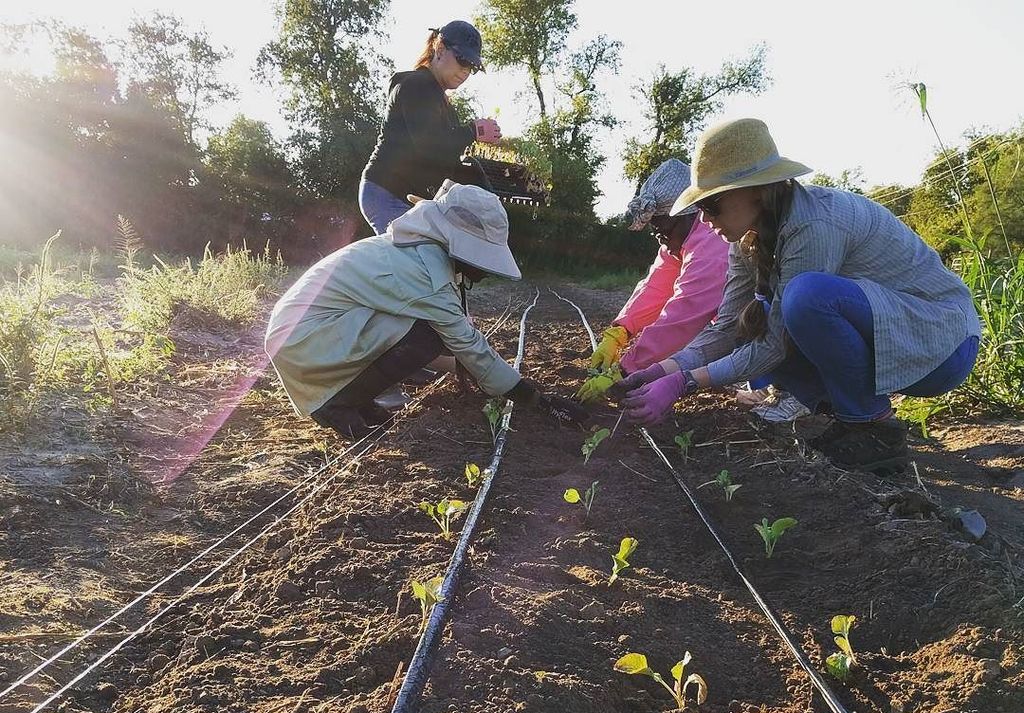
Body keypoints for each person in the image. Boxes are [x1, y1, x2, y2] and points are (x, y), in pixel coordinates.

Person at [611, 118, 981, 474]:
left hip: (941, 342)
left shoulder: (813, 225)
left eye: (711, 205)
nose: (704, 220)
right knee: (751, 319)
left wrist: (684, 383)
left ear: (754, 190)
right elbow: (725, 331)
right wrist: (660, 371)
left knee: (804, 299)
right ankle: (850, 418)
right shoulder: (744, 240)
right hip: (891, 338)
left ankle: (874, 428)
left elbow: (777, 343)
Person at [265, 182, 587, 440]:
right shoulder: (425, 272)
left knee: (424, 334)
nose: (485, 271)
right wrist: (534, 398)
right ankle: (336, 404)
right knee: (425, 338)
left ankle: (354, 397)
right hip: (305, 339)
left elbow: (458, 344)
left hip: (308, 332)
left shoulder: (415, 251)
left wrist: (474, 370)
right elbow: (467, 343)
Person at [578, 159, 729, 402]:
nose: (658, 235)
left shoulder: (713, 244)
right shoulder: (678, 243)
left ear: (689, 213)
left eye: (663, 227)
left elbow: (682, 316)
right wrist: (620, 331)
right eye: (654, 228)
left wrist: (626, 370)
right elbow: (655, 287)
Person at [359, 21, 502, 235]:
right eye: (462, 60)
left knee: (425, 262)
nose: (465, 71)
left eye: (471, 66)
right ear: (440, 49)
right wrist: (473, 131)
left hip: (408, 196)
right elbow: (430, 146)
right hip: (388, 191)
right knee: (413, 263)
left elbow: (445, 157)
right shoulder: (417, 85)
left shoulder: (440, 100)